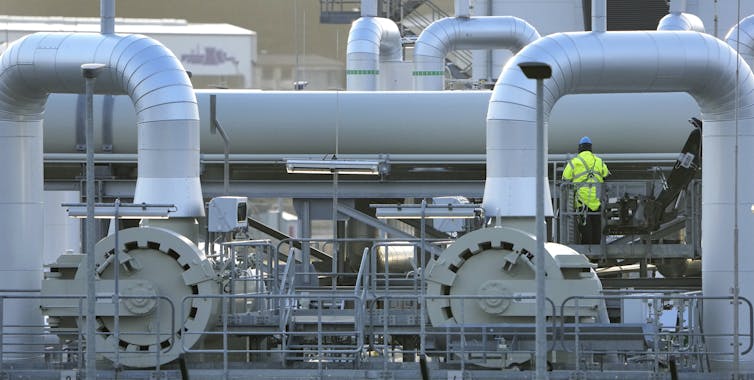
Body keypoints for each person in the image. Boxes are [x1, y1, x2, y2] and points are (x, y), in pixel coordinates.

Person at [562, 136, 610, 244]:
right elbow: (606, 175)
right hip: (597, 201)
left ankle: (586, 252)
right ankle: (596, 250)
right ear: (590, 148)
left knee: (585, 229)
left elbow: (565, 179)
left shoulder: (574, 162)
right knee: (597, 227)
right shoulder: (599, 161)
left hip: (582, 202)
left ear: (580, 148)